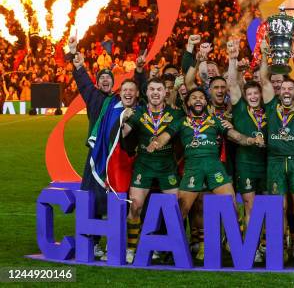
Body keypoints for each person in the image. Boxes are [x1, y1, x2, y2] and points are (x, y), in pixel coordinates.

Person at [146, 86, 264, 262]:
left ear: (206, 102)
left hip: (214, 167)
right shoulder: (181, 122)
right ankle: (172, 247)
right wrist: (156, 143)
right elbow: (166, 136)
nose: (198, 100)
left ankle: (235, 243)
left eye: (201, 97)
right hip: (192, 168)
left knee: (231, 204)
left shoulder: (215, 121)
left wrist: (251, 140)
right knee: (181, 210)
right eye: (194, 97)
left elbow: (234, 136)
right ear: (188, 104)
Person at [120, 77, 184, 263]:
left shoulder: (175, 114)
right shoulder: (138, 113)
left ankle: (174, 248)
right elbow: (124, 133)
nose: (155, 93)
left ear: (166, 93)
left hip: (167, 166)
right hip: (144, 165)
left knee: (176, 208)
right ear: (146, 93)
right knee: (135, 206)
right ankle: (131, 248)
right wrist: (121, 121)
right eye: (152, 89)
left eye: (159, 89)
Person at [260, 37, 294, 262]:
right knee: (277, 207)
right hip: (275, 160)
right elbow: (263, 80)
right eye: (284, 87)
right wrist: (264, 54)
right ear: (279, 91)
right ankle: (279, 247)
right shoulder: (271, 106)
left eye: (292, 87)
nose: (287, 90)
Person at [70, 36, 115, 259]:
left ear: (114, 83)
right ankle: (94, 241)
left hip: (114, 156)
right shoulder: (94, 97)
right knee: (92, 197)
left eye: (109, 77)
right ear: (98, 83)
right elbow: (83, 81)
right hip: (95, 156)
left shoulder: (119, 101)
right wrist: (76, 62)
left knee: (115, 198)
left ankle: (114, 241)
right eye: (102, 78)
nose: (106, 80)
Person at [227, 39, 268, 237]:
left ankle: (266, 243)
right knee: (250, 205)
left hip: (266, 163)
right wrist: (232, 60)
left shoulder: (269, 111)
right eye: (249, 93)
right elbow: (232, 84)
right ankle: (251, 246)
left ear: (261, 94)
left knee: (267, 206)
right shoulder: (240, 109)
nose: (252, 96)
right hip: (245, 164)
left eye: (256, 93)